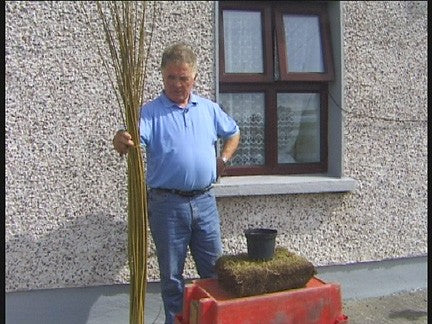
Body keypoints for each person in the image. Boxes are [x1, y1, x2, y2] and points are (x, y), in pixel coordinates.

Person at [112, 42, 240, 324]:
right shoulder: (150, 113)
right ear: (162, 76)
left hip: (205, 202)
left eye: (183, 78)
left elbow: (234, 133)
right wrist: (120, 139)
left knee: (215, 273)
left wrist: (224, 159)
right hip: (167, 205)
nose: (177, 84)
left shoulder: (208, 109)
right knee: (172, 279)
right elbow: (130, 140)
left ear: (194, 78)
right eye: (171, 77)